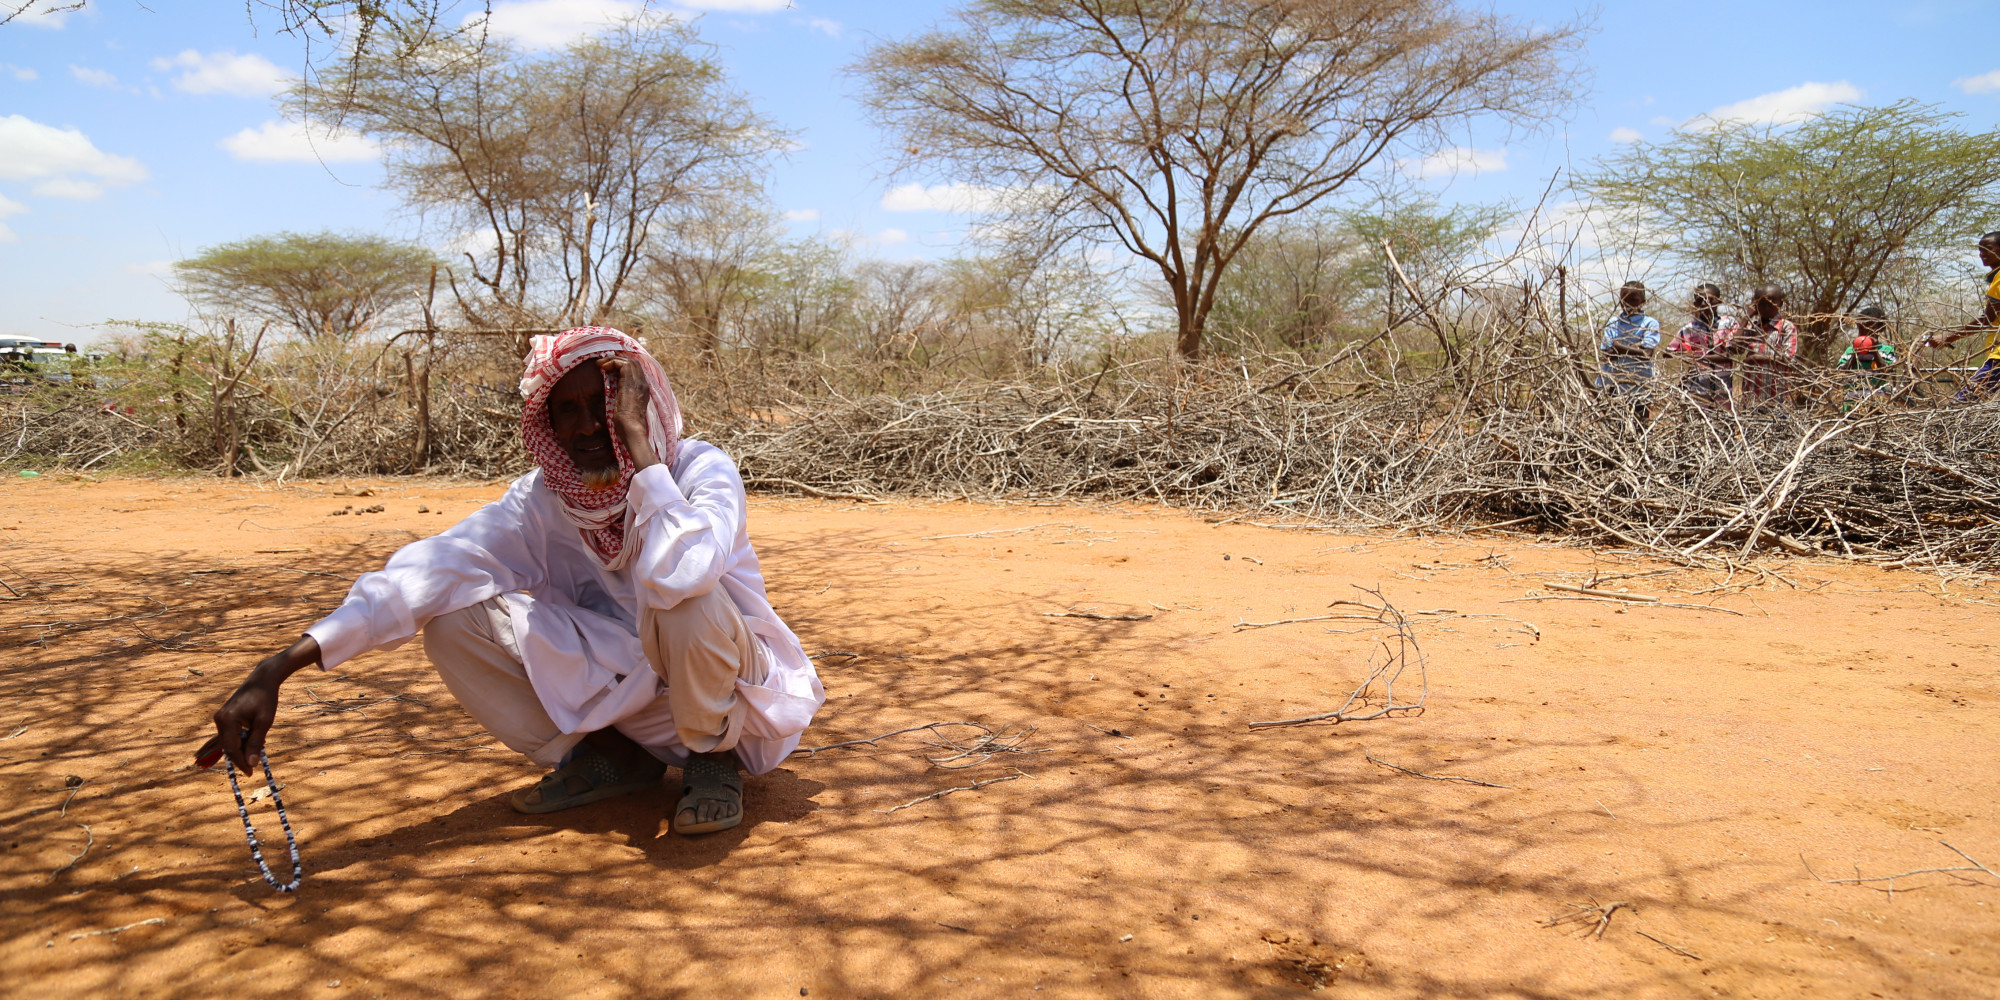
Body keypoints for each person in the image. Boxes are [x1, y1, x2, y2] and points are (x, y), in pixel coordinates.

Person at [208, 326, 824, 835]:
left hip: (733, 706)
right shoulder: (540, 502)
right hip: (630, 697)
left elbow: (680, 571)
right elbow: (428, 571)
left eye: (604, 407)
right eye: (567, 412)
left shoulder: (700, 471)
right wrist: (279, 666)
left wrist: (643, 456)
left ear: (637, 406)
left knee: (684, 598)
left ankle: (710, 764)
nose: (586, 428)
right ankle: (609, 759)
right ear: (546, 427)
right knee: (451, 616)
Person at [1925, 232, 2000, 402]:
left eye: (1988, 249)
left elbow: (1987, 319)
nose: (1982, 254)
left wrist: (1947, 337)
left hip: (1998, 358)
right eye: (1980, 250)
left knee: (1961, 403)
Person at [1667, 282, 1738, 408]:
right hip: (1698, 387)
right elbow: (1669, 351)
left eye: (1710, 300)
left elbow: (1729, 355)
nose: (1704, 304)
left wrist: (1697, 358)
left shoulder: (1729, 324)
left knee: (1725, 420)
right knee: (1700, 420)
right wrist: (1686, 357)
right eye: (1700, 300)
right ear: (1695, 304)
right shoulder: (1688, 329)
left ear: (1718, 301)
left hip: (1724, 386)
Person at [1597, 280, 1661, 421]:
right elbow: (1608, 353)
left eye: (1634, 300)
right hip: (1614, 384)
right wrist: (1637, 346)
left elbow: (1646, 354)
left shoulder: (1650, 323)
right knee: (1615, 426)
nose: (1628, 304)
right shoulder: (1614, 322)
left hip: (1640, 386)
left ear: (1642, 301)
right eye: (1624, 300)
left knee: (1639, 426)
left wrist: (1619, 346)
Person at [1737, 285, 1799, 407]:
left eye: (1771, 302)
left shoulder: (1786, 327)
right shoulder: (1751, 327)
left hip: (1777, 397)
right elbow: (1735, 348)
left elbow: (1788, 358)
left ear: (1780, 304)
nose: (1765, 307)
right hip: (1751, 397)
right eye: (1761, 302)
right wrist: (1746, 318)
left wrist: (1757, 358)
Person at [1837, 305, 1899, 412]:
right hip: (1851, 405)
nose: (1864, 332)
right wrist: (1854, 355)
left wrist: (1875, 351)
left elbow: (1887, 371)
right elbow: (1840, 374)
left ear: (1880, 328)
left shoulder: (1887, 351)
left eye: (1870, 328)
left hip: (1877, 405)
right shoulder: (1850, 351)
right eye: (1861, 328)